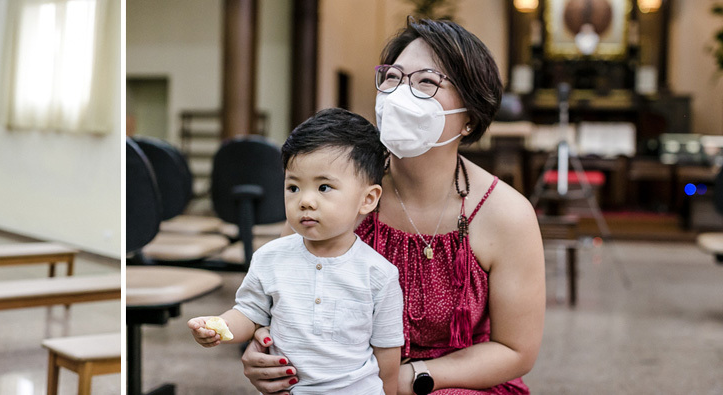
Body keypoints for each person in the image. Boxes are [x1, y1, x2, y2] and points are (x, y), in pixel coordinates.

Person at [241, 18, 545, 395]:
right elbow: (279, 292)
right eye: (393, 78)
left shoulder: (504, 213)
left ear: (469, 117)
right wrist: (262, 347)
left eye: (426, 82)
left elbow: (515, 350)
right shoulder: (337, 189)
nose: (401, 94)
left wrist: (408, 377)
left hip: (453, 383)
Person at [188, 108, 404, 395]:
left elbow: (387, 354)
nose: (305, 201)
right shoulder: (271, 257)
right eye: (293, 187)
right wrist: (220, 327)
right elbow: (250, 314)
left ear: (367, 199)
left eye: (324, 187)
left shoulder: (380, 274)